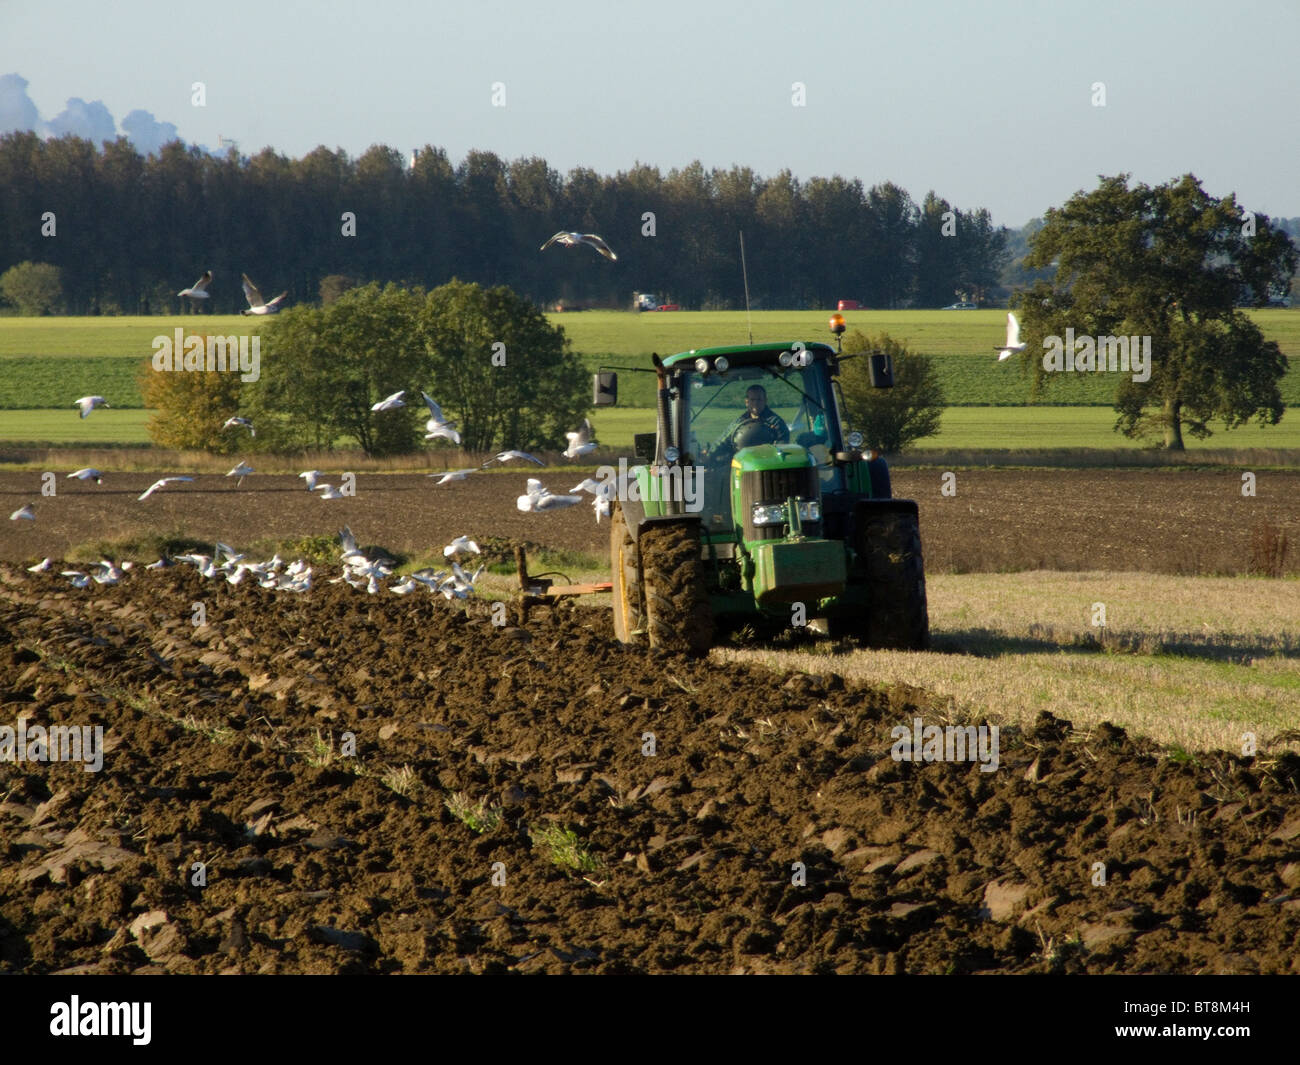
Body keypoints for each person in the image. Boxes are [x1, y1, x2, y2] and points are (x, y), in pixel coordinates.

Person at [712, 384, 789, 455]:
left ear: (765, 401)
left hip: (767, 464)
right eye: (752, 400)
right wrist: (710, 453)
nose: (755, 403)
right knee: (701, 469)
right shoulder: (739, 422)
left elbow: (782, 447)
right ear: (746, 402)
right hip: (740, 463)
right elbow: (723, 440)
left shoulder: (776, 422)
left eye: (759, 399)